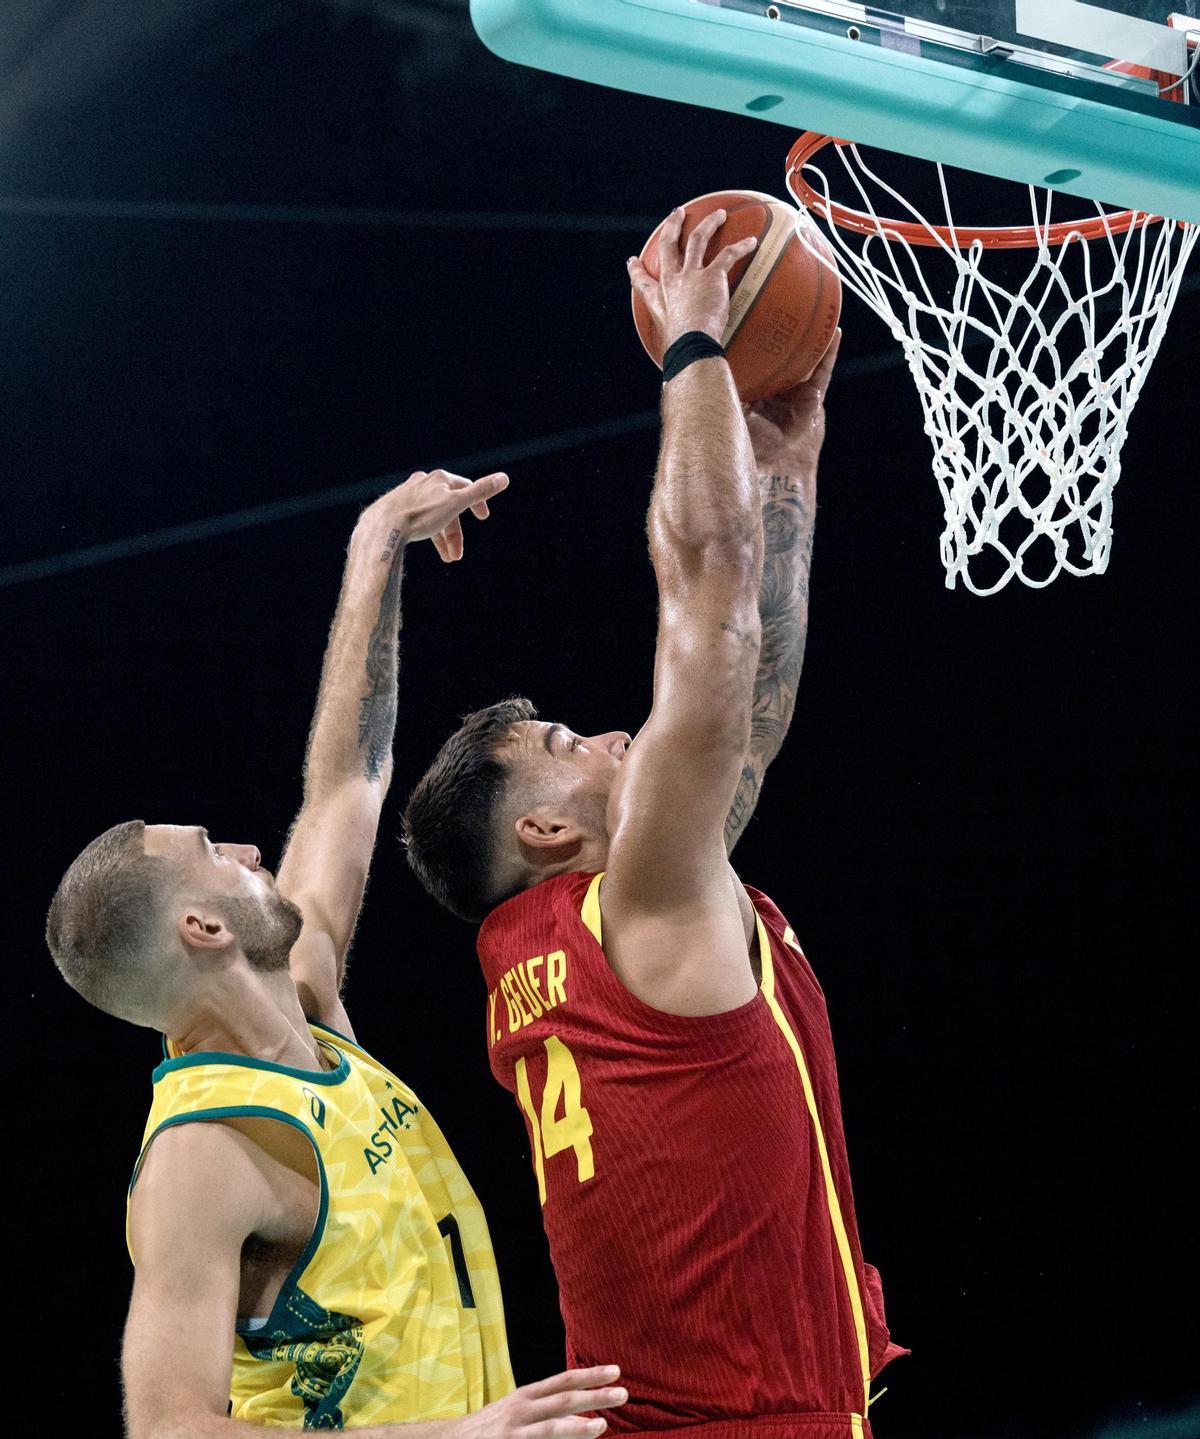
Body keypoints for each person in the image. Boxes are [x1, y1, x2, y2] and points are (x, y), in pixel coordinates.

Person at [403, 211, 905, 1439]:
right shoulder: (644, 899)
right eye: (571, 749)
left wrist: (786, 466)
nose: (616, 736)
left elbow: (749, 711)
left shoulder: (565, 949)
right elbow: (708, 582)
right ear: (542, 834)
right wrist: (696, 358)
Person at [46, 469, 628, 1438]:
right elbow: (168, 1428)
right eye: (213, 852)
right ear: (204, 928)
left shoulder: (305, 1006)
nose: (247, 849)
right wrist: (461, 1433)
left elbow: (345, 784)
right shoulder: (202, 1153)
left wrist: (375, 549)